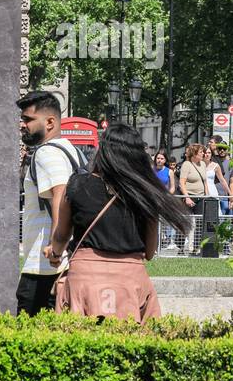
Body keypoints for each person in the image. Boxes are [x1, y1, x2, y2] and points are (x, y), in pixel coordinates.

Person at [46, 123, 192, 321]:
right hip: (130, 283)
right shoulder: (146, 192)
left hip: (85, 279)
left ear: (103, 151)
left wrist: (55, 253)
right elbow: (149, 252)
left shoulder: (78, 184)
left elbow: (62, 234)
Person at [17, 91, 83, 316]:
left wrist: (56, 248)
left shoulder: (46, 153)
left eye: (28, 119)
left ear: (50, 122)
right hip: (64, 263)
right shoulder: (71, 151)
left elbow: (61, 194)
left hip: (44, 267)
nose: (22, 125)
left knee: (27, 341)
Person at [178, 143, 208, 254]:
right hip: (189, 197)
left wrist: (207, 195)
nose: (203, 154)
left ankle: (197, 248)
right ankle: (182, 247)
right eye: (201, 152)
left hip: (201, 197)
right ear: (194, 154)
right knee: (187, 223)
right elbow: (182, 183)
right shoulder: (187, 164)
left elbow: (205, 182)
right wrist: (187, 198)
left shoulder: (203, 165)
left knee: (199, 223)